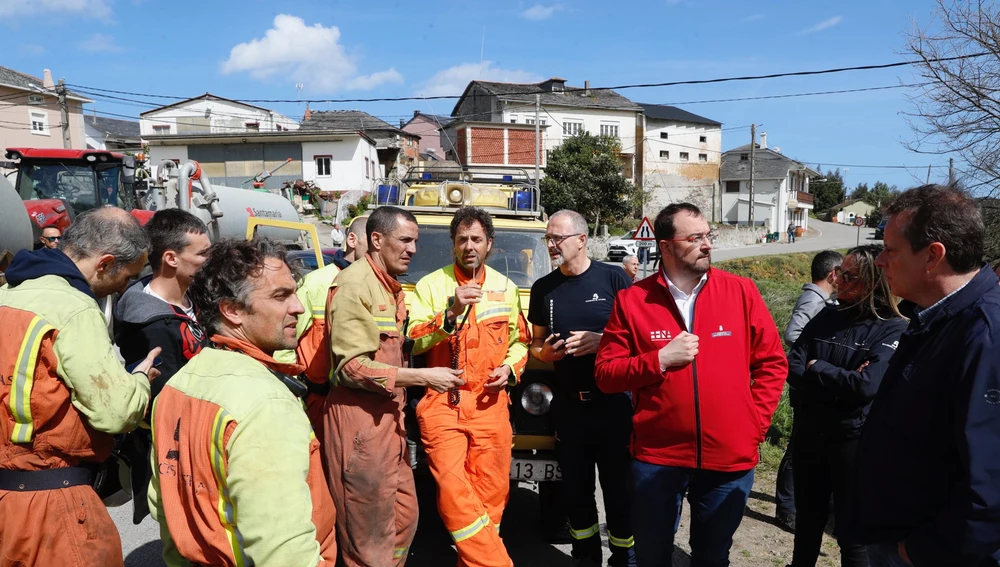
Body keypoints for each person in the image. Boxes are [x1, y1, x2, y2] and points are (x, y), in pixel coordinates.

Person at [594, 202, 787, 567]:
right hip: (657, 458)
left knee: (713, 558)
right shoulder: (633, 300)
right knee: (651, 557)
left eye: (708, 236)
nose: (707, 244)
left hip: (729, 459)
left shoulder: (741, 292)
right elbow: (606, 374)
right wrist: (658, 361)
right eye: (695, 237)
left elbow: (772, 364)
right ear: (665, 246)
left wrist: (754, 426)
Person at [147, 238, 338, 567]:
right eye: (280, 296)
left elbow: (165, 507)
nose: (299, 307)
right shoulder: (266, 403)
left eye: (294, 292)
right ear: (232, 310)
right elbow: (284, 550)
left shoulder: (177, 386)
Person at [848, 185, 1000, 566]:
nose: (880, 260)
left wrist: (921, 552)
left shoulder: (985, 336)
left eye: (891, 250)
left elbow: (992, 485)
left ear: (933, 256)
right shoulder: (935, 317)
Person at [0, 206, 157, 567]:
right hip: (55, 505)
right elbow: (116, 412)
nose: (125, 286)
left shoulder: (8, 294)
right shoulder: (74, 308)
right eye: (127, 276)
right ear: (104, 263)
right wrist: (139, 382)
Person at [323, 205, 465, 567]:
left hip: (389, 420)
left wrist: (448, 316)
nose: (413, 249)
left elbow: (403, 345)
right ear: (376, 239)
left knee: (403, 519)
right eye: (405, 240)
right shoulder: (355, 285)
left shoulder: (390, 285)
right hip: (360, 423)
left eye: (415, 241)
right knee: (368, 533)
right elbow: (352, 367)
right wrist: (424, 378)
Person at [407, 207, 530, 567]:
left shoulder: (506, 287)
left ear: (489, 244)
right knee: (452, 490)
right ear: (453, 245)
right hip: (442, 403)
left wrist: (510, 368)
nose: (469, 246)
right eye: (462, 239)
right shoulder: (432, 285)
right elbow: (413, 341)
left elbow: (520, 342)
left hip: (491, 405)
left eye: (476, 239)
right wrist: (450, 311)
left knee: (492, 495)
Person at [786, 245, 907, 567]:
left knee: (851, 533)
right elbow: (793, 365)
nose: (837, 280)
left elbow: (865, 386)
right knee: (808, 523)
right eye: (839, 272)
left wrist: (817, 368)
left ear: (871, 282)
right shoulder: (828, 314)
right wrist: (835, 376)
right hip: (810, 435)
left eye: (848, 275)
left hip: (852, 443)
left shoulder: (893, 327)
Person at [528, 210, 636, 567]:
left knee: (619, 492)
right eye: (548, 238)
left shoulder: (614, 278)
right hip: (570, 409)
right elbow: (535, 343)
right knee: (576, 493)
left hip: (614, 405)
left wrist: (601, 341)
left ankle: (624, 558)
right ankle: (585, 558)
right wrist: (545, 352)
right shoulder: (544, 288)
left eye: (557, 238)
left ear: (582, 239)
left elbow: (640, 338)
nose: (552, 245)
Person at [114, 209, 212, 523]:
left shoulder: (194, 298)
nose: (208, 260)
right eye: (201, 254)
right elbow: (167, 402)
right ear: (171, 258)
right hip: (180, 451)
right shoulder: (149, 325)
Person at [275, 215, 368, 425]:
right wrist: (296, 389)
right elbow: (284, 343)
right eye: (373, 243)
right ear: (352, 240)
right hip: (317, 400)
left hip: (358, 401)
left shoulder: (376, 284)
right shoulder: (317, 283)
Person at [775, 249, 843, 532]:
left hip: (815, 384)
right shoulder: (812, 300)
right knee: (797, 448)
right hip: (807, 386)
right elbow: (793, 333)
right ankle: (786, 507)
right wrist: (820, 352)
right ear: (833, 274)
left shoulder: (824, 300)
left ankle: (797, 502)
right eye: (844, 273)